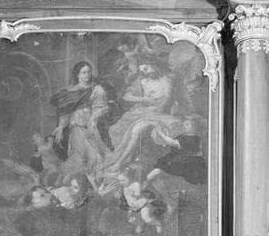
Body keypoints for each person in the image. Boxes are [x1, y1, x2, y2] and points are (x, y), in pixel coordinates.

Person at [108, 61, 180, 171]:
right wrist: (143, 99)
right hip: (143, 113)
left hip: (159, 115)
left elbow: (166, 101)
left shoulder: (166, 80)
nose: (145, 73)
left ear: (154, 64)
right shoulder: (143, 81)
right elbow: (126, 96)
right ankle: (122, 160)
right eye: (142, 71)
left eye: (146, 68)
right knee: (123, 129)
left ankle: (119, 163)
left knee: (136, 130)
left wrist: (154, 108)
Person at [50, 61, 112, 189]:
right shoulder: (70, 92)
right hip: (76, 128)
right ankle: (78, 185)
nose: (87, 75)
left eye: (89, 72)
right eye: (83, 72)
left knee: (97, 157)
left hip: (91, 127)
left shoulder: (96, 89)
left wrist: (93, 120)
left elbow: (100, 108)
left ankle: (97, 187)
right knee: (80, 157)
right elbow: (65, 113)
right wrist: (61, 127)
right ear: (77, 74)